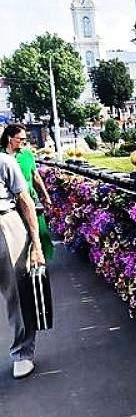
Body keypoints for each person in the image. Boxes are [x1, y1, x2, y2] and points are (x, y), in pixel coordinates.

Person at [0, 147, 45, 379]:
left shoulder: (5, 162)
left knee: (18, 293)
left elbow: (25, 200)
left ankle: (22, 353)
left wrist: (36, 245)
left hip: (5, 223)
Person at [1, 124, 53, 261]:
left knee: (40, 233)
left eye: (25, 139)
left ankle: (42, 262)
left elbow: (36, 176)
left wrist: (45, 196)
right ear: (10, 138)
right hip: (11, 206)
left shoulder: (27, 154)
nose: (24, 142)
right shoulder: (2, 157)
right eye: (21, 139)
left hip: (30, 200)